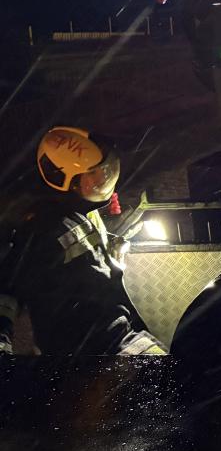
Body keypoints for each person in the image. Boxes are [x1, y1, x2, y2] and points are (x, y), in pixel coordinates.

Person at [0, 126, 163, 355]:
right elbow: (8, 286)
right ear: (67, 180)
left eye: (105, 172)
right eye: (93, 175)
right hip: (88, 351)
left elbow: (85, 259)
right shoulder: (40, 228)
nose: (102, 180)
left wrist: (114, 244)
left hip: (116, 335)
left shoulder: (81, 216)